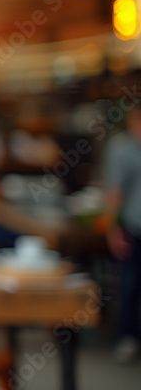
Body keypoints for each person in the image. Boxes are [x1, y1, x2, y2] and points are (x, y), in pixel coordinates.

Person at [104, 105, 141, 363]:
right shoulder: (122, 149)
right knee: (129, 284)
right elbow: (115, 193)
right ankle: (127, 337)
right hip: (134, 225)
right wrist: (112, 228)